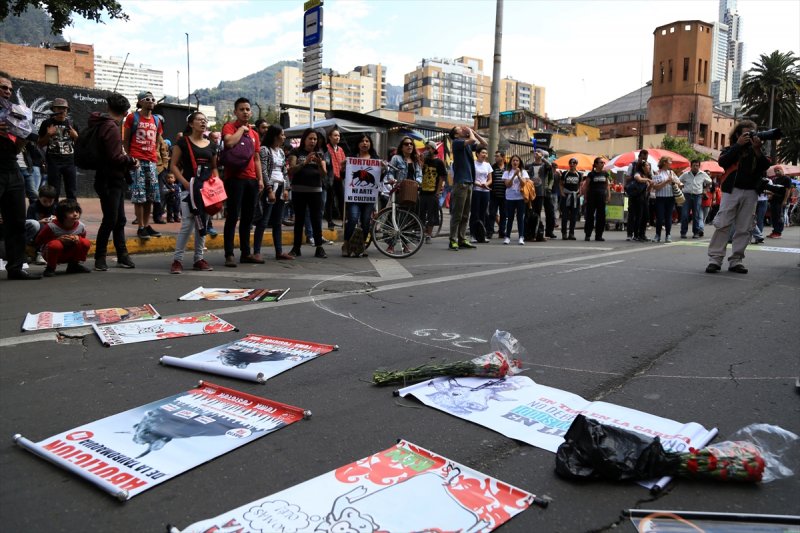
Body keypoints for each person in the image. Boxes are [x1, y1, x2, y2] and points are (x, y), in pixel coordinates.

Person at [706, 120, 770, 274]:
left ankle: (736, 261)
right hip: (731, 191)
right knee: (723, 224)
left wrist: (757, 149)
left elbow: (765, 166)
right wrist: (738, 145)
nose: (749, 136)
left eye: (752, 133)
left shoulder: (757, 151)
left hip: (751, 192)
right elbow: (723, 162)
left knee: (744, 227)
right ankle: (715, 259)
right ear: (737, 134)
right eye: (746, 133)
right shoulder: (730, 149)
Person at [1, 71, 41, 279]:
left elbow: (17, 149)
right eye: (3, 87)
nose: (7, 91)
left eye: (9, 88)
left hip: (11, 168)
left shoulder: (15, 112)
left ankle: (16, 267)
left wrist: (23, 134)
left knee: (16, 220)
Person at [92, 93, 138, 272]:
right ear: (125, 112)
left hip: (110, 178)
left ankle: (122, 255)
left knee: (119, 219)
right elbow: (114, 156)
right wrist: (131, 161)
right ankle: (100, 257)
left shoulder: (102, 124)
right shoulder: (110, 127)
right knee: (111, 219)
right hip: (110, 179)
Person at [168, 111, 216, 274]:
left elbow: (214, 167)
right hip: (189, 190)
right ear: (191, 123)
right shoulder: (183, 142)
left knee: (202, 223)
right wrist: (185, 183)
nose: (203, 122)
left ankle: (198, 259)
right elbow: (173, 165)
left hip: (206, 190)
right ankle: (177, 260)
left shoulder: (211, 144)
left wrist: (214, 185)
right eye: (199, 120)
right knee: (188, 224)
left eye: (205, 120)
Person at [221, 97, 263, 267]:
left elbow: (257, 158)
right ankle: (229, 254)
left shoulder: (255, 134)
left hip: (251, 180)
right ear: (235, 112)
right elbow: (229, 142)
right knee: (232, 217)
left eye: (247, 109)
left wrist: (260, 179)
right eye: (241, 109)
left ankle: (246, 253)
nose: (245, 112)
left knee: (247, 218)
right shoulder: (230, 127)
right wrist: (242, 130)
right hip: (234, 179)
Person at [123, 91, 163, 240]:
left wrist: (156, 153)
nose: (151, 101)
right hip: (137, 161)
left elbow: (158, 139)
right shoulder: (133, 117)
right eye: (147, 99)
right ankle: (140, 226)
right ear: (140, 102)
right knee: (139, 195)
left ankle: (146, 225)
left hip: (151, 161)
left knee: (150, 196)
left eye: (153, 99)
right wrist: (130, 157)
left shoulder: (157, 120)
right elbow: (125, 140)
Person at [253, 124, 293, 261]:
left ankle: (279, 251)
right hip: (270, 187)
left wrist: (287, 188)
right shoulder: (265, 150)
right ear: (275, 136)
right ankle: (257, 251)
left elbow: (285, 171)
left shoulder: (281, 151)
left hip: (281, 186)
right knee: (263, 221)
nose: (284, 137)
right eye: (282, 134)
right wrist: (269, 190)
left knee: (278, 221)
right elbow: (263, 171)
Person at [287, 127, 327, 258]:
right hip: (299, 190)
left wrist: (319, 163)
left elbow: (324, 174)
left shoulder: (320, 153)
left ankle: (319, 247)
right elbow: (291, 170)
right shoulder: (296, 152)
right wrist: (305, 162)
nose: (313, 141)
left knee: (316, 219)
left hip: (315, 190)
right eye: (310, 138)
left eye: (315, 139)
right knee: (299, 219)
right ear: (304, 139)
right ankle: (296, 247)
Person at [342, 134, 381, 255]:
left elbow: (379, 179)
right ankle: (346, 243)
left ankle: (362, 245)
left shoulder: (375, 159)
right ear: (358, 144)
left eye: (367, 141)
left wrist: (383, 169)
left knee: (365, 222)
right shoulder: (352, 158)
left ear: (370, 144)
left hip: (369, 197)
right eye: (362, 141)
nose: (365, 143)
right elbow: (346, 176)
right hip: (354, 196)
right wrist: (343, 167)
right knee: (353, 218)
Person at [448, 125, 486, 250]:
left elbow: (484, 143)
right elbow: (472, 140)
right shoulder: (457, 143)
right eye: (459, 128)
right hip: (461, 183)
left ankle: (462, 238)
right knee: (457, 214)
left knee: (465, 215)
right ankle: (453, 240)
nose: (462, 128)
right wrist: (470, 132)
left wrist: (474, 132)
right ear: (455, 134)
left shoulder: (467, 145)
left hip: (469, 183)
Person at [35, 198, 91, 277]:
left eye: (77, 211)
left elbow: (83, 241)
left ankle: (74, 265)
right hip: (52, 253)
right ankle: (50, 268)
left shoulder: (80, 226)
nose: (75, 214)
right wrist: (57, 239)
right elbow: (38, 241)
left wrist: (77, 238)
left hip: (70, 252)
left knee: (85, 242)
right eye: (71, 212)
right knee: (55, 245)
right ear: (62, 215)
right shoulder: (52, 226)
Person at [37, 97, 78, 200]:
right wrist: (48, 135)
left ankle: (71, 213)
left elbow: (80, 145)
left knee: (71, 191)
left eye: (64, 108)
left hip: (70, 162)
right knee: (54, 192)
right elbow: (40, 144)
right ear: (53, 110)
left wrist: (76, 136)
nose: (62, 111)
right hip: (53, 163)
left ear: (67, 110)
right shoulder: (46, 124)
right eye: (59, 108)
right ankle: (54, 214)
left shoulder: (72, 124)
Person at [25, 184, 58, 264]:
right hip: (36, 233)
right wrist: (40, 221)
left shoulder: (55, 207)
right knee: (42, 226)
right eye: (45, 201)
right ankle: (39, 253)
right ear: (39, 198)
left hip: (50, 232)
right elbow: (29, 223)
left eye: (50, 201)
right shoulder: (33, 207)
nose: (47, 204)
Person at [420, 140, 445, 243]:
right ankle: (421, 232)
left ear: (434, 149)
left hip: (433, 191)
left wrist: (438, 192)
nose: (427, 150)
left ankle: (428, 235)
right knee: (420, 213)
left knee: (431, 215)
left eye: (429, 148)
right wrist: (421, 161)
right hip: (422, 191)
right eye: (426, 148)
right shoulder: (423, 161)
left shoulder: (439, 162)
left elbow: (442, 178)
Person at [651, 156, 681, 243]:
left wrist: (674, 182)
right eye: (670, 162)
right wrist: (666, 181)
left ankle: (668, 235)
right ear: (664, 163)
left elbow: (679, 183)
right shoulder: (657, 173)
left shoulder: (671, 172)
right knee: (660, 217)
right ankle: (658, 235)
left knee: (669, 217)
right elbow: (656, 187)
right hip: (660, 198)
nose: (671, 163)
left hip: (670, 198)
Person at [679, 159, 711, 239]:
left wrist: (705, 190)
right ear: (691, 166)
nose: (695, 167)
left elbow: (710, 182)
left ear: (699, 166)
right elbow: (678, 181)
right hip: (687, 195)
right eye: (694, 165)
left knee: (696, 215)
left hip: (698, 196)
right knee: (685, 214)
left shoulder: (703, 174)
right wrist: (681, 187)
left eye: (697, 166)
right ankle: (683, 232)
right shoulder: (685, 174)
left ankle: (696, 232)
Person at [503, 154, 530, 245]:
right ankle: (507, 237)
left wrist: (518, 175)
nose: (515, 162)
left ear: (519, 162)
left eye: (517, 161)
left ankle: (521, 237)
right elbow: (508, 185)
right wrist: (513, 175)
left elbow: (523, 184)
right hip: (510, 198)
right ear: (511, 162)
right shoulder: (507, 172)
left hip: (520, 198)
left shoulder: (524, 172)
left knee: (520, 218)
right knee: (510, 218)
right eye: (513, 160)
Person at [583, 157, 611, 241]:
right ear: (596, 164)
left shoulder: (605, 173)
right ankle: (588, 234)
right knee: (590, 216)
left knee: (601, 217)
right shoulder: (591, 174)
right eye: (601, 162)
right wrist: (585, 197)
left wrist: (608, 195)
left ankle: (599, 235)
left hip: (601, 198)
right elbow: (586, 186)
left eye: (603, 163)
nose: (603, 164)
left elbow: (607, 186)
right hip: (592, 197)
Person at [324, 127, 346, 229]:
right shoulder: (326, 148)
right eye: (335, 135)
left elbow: (344, 162)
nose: (337, 137)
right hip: (330, 178)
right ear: (330, 137)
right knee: (329, 200)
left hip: (339, 178)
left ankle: (343, 220)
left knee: (341, 199)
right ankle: (329, 221)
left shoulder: (341, 149)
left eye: (338, 135)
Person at [469, 145, 492, 243]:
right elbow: (471, 178)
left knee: (483, 213)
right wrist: (479, 184)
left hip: (485, 191)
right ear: (477, 154)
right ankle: (473, 234)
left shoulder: (487, 165)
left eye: (485, 153)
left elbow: (490, 179)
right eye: (482, 153)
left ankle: (481, 235)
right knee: (475, 213)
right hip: (476, 190)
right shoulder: (473, 164)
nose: (484, 155)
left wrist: (486, 184)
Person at [151, 115, 171, 224]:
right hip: (146, 165)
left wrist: (164, 167)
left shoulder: (160, 137)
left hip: (158, 168)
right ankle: (139, 217)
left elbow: (164, 152)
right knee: (143, 193)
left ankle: (157, 215)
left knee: (159, 194)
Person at [560, 158, 582, 240]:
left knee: (573, 216)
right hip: (566, 196)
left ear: (576, 164)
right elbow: (561, 184)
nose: (572, 164)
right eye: (570, 163)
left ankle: (571, 233)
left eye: (574, 163)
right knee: (565, 216)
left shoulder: (579, 174)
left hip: (575, 197)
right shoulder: (565, 173)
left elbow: (580, 184)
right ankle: (564, 233)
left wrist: (580, 193)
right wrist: (562, 193)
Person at [767, 166, 792, 239]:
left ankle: (778, 232)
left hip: (780, 200)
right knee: (774, 216)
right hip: (774, 200)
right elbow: (773, 190)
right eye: (775, 171)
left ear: (782, 170)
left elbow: (788, 190)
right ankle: (775, 231)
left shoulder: (787, 178)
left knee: (779, 216)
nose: (776, 172)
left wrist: (784, 200)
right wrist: (769, 194)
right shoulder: (775, 179)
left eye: (778, 170)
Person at [488, 150, 506, 240]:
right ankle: (490, 232)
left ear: (502, 157)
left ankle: (502, 232)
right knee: (492, 214)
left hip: (505, 195)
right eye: (495, 156)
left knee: (503, 214)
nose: (495, 158)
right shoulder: (493, 167)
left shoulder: (507, 167)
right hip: (494, 194)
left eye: (497, 156)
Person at [19, 140, 44, 205]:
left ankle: (36, 213)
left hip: (26, 167)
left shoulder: (20, 136)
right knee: (18, 194)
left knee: (33, 193)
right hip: (13, 168)